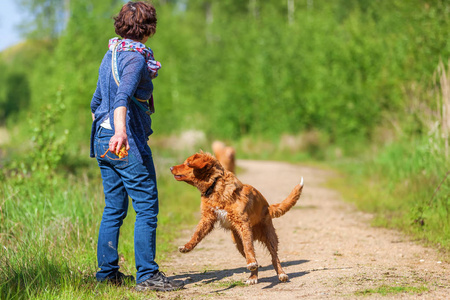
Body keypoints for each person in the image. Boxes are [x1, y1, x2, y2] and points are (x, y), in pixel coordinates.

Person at [89, 1, 183, 292]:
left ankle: (107, 275)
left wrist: (107, 132)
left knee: (114, 207)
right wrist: (121, 132)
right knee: (146, 206)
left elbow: (95, 103)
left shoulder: (112, 53)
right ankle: (148, 276)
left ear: (121, 24)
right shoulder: (135, 59)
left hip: (101, 137)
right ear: (149, 29)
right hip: (121, 138)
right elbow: (121, 97)